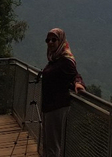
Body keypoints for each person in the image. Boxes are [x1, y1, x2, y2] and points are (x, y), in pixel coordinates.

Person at [41, 28, 85, 157]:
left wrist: (78, 83)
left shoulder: (65, 60)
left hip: (57, 107)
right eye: (48, 40)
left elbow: (75, 74)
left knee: (53, 145)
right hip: (48, 106)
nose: (50, 42)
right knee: (47, 143)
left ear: (61, 41)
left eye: (54, 39)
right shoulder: (54, 59)